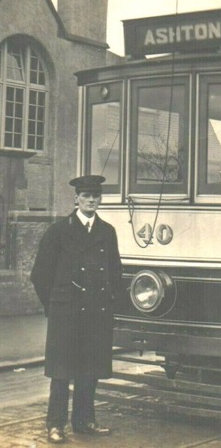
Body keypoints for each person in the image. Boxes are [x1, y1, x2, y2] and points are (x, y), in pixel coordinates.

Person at [31, 175, 122, 444]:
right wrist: (55, 306)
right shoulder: (59, 230)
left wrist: (111, 301)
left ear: (100, 199)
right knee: (61, 371)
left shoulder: (107, 231)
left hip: (96, 311)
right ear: (76, 199)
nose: (91, 200)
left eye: (95, 196)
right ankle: (55, 425)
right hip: (67, 312)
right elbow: (40, 275)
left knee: (90, 368)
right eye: (86, 196)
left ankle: (84, 421)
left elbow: (116, 272)